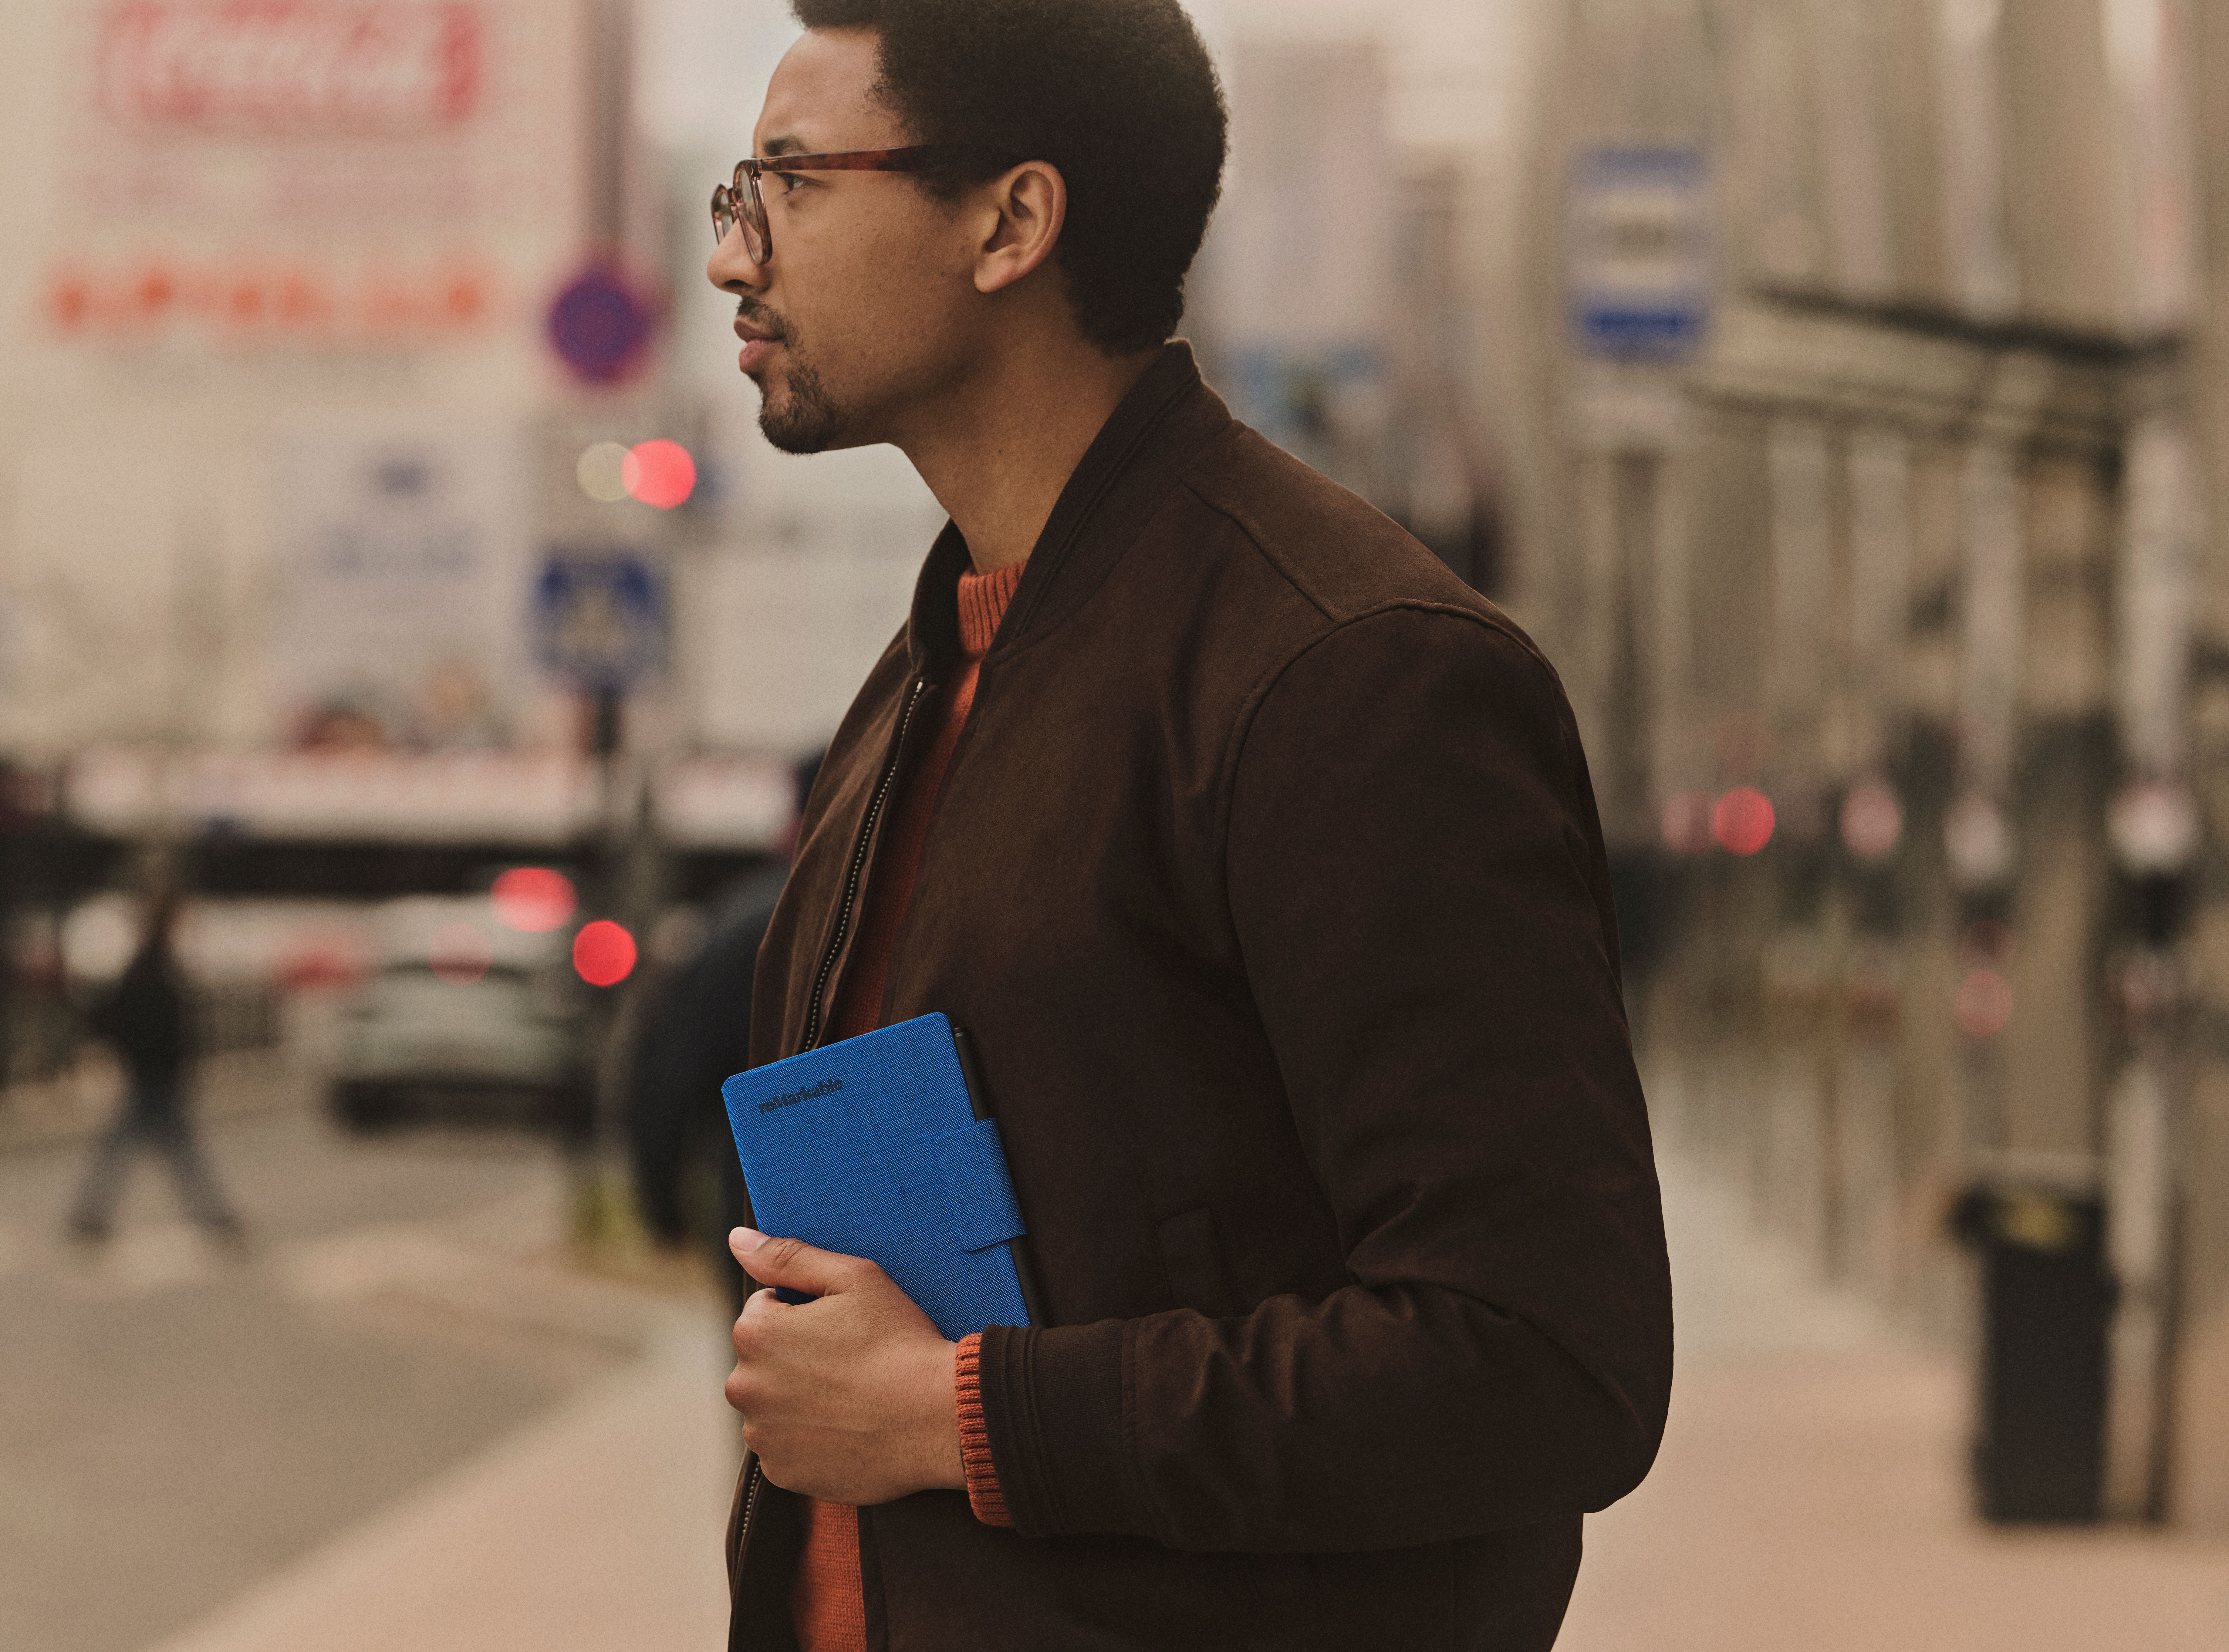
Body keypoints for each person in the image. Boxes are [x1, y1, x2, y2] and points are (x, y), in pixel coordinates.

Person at [705, 5, 1675, 1650]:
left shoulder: (1345, 673)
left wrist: (962, 1415)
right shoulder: (934, 670)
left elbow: (1537, 1363)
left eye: (790, 182)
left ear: (1009, 223)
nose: (734, 256)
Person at [625, 750, 822, 1306]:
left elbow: (667, 1076)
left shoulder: (740, 923)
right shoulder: (909, 908)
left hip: (760, 1217)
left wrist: (663, 1208)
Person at [68, 893, 243, 1248]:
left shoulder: (151, 964)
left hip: (151, 1075)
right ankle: (215, 1218)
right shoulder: (155, 967)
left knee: (138, 1149)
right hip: (155, 1076)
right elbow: (152, 1024)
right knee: (174, 1152)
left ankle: (91, 1218)